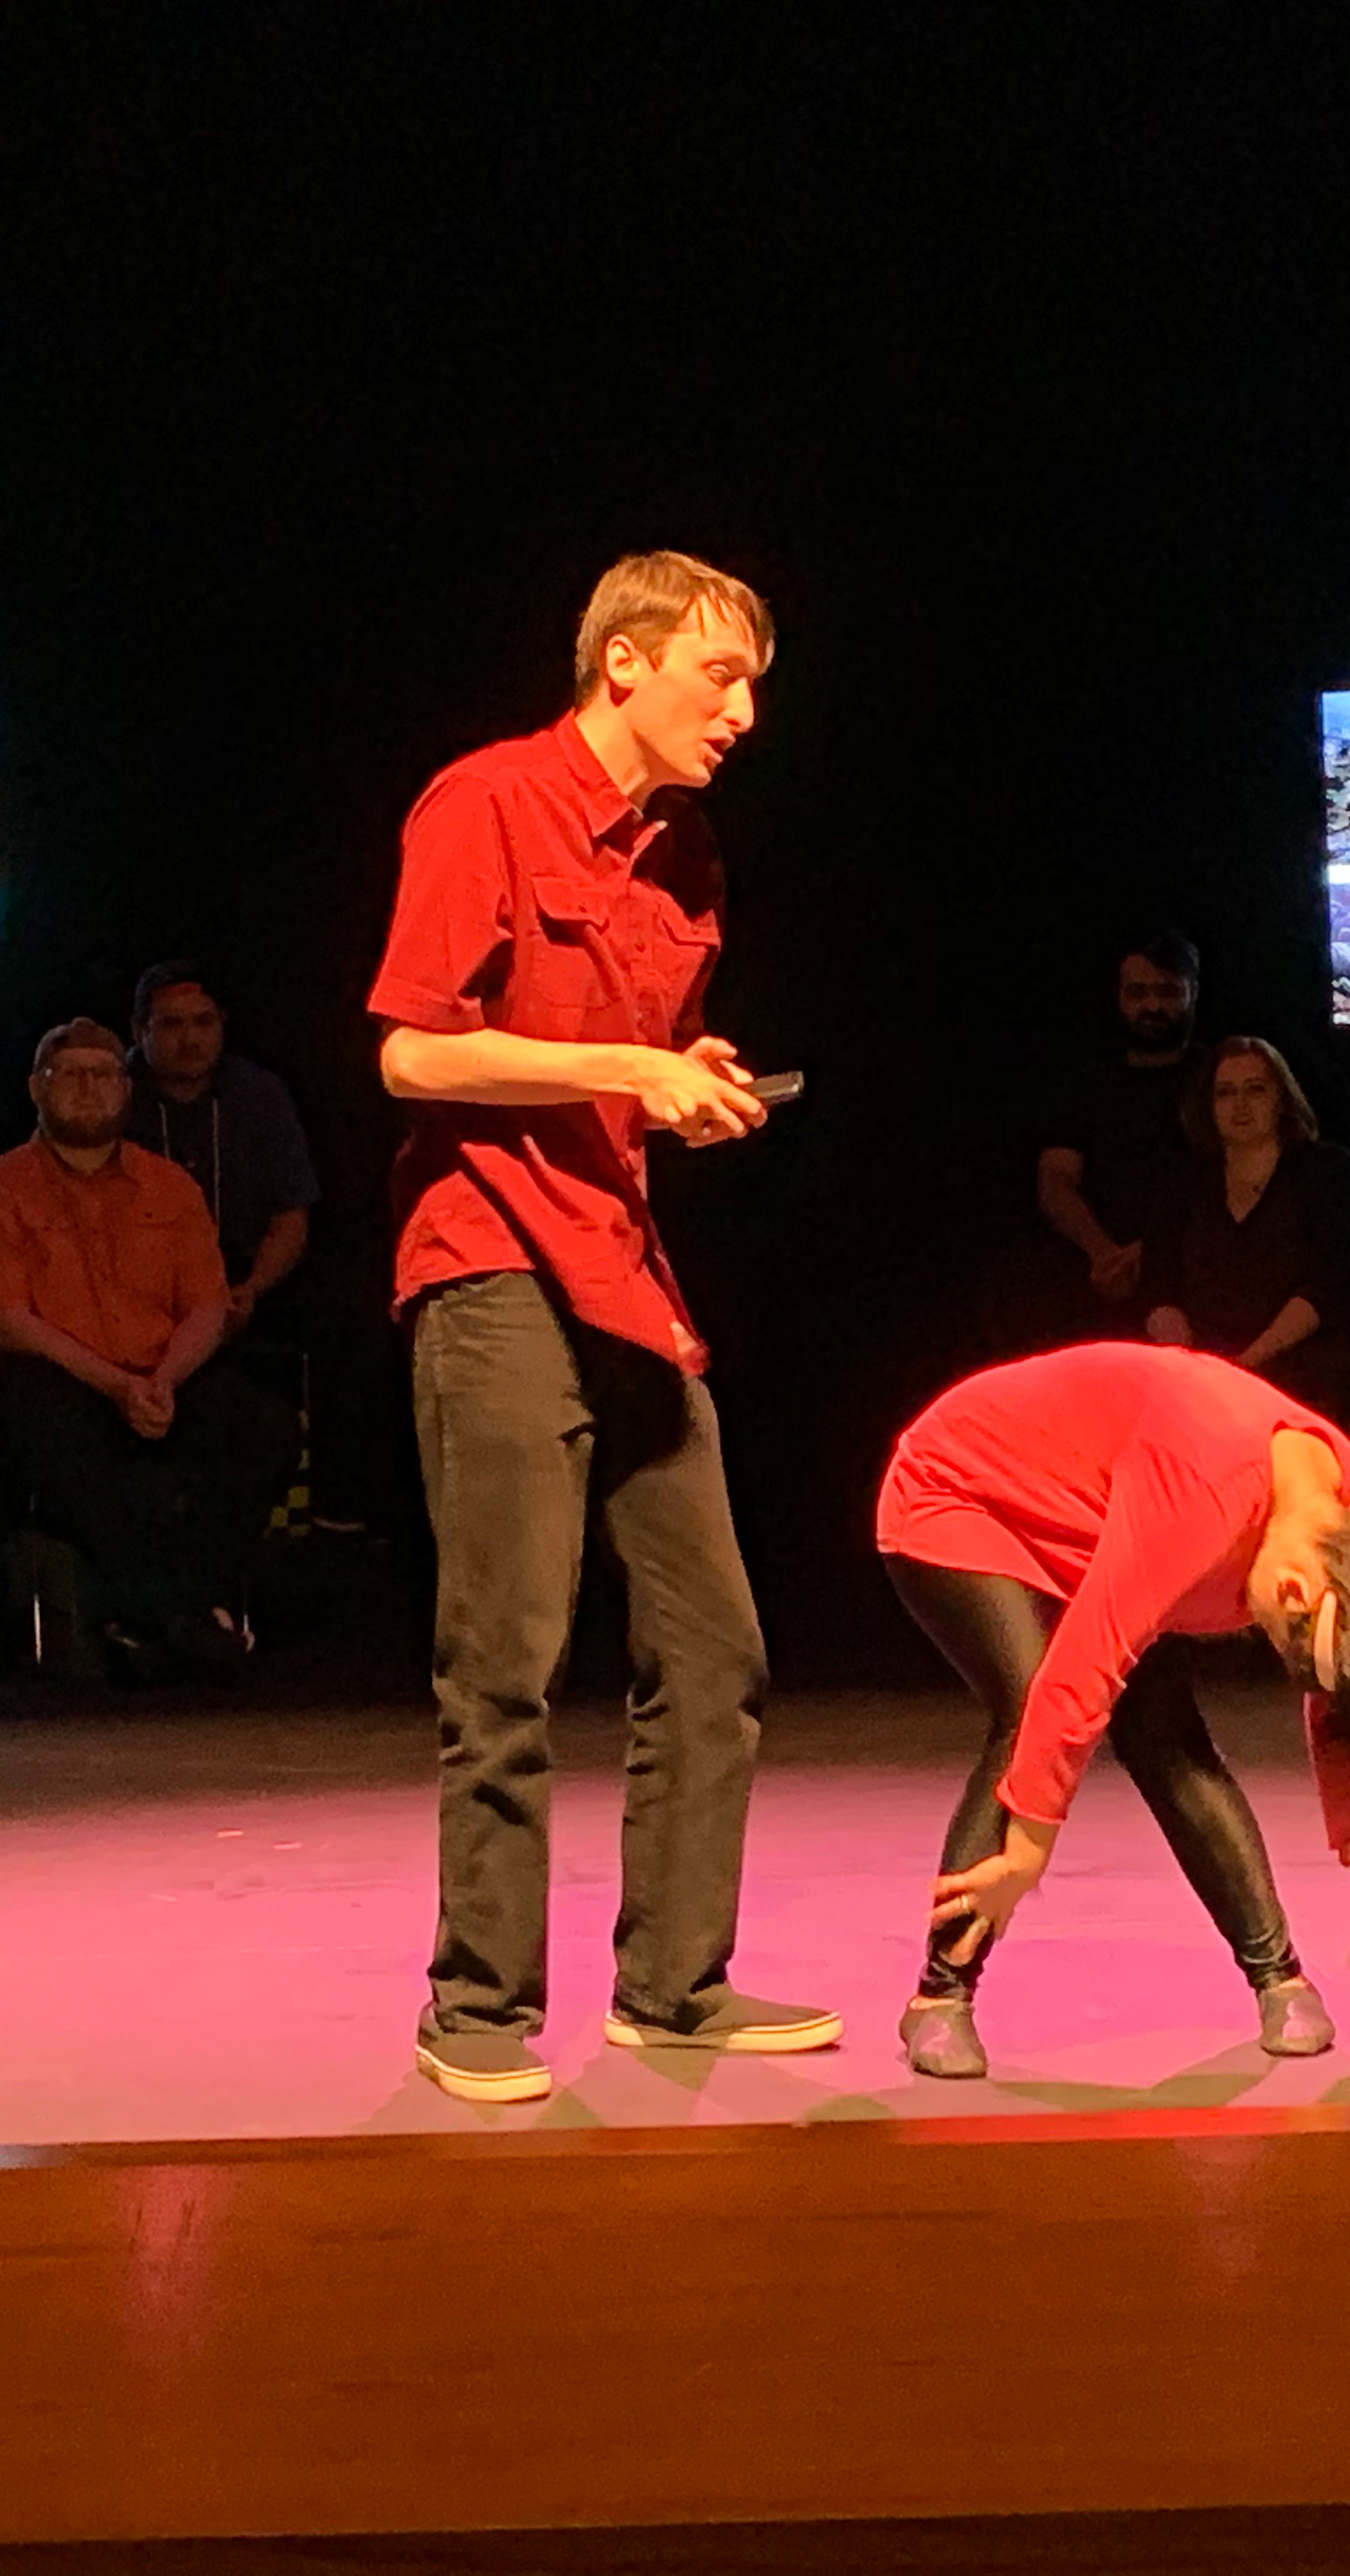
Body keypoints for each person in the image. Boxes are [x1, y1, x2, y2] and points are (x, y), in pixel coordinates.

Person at [369, 548, 835, 2106]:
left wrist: (684, 1080)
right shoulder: (486, 802)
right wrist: (633, 1072)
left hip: (621, 1263)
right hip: (490, 1258)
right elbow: (415, 1057)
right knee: (506, 1654)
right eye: (722, 676)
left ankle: (674, 1987)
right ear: (624, 661)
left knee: (715, 1644)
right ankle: (477, 2006)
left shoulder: (688, 854)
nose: (744, 713)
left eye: (755, 685)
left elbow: (634, 1060)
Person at [878, 1343, 1350, 2080]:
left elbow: (1342, 1726)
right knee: (1031, 1707)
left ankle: (1280, 1979)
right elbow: (1080, 1675)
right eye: (1286, 1645)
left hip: (1095, 1515)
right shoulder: (1200, 1497)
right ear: (1293, 1591)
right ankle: (939, 1998)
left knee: (1168, 1740)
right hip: (964, 1488)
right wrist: (1025, 1857)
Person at [0, 1017, 298, 1676]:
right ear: (36, 1088)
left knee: (265, 1428)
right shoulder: (0, 1188)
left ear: (127, 1088)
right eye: (69, 1074)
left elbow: (208, 1305)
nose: (88, 1088)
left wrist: (161, 1382)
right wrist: (116, 1385)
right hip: (60, 1378)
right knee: (40, 1415)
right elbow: (9, 1320)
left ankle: (160, 1609)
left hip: (162, 1373)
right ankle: (180, 1614)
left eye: (103, 1074)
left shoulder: (170, 1185)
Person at [1142, 1035, 1350, 1428]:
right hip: (1202, 1369)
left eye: (1255, 1089)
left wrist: (1244, 1365)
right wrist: (1190, 1361)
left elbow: (1331, 1284)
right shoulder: (1185, 1179)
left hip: (1302, 1364)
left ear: (1281, 1099)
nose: (1240, 1105)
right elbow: (1158, 1283)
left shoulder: (1325, 1171)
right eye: (1225, 1093)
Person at [123, 959, 320, 1342]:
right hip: (132, 1304)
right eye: (172, 1024)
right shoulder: (113, 1095)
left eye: (203, 1022)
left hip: (244, 1296)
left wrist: (252, 1288)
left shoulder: (259, 1094)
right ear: (139, 1030)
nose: (190, 1039)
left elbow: (291, 1214)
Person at [1026, 936, 1205, 1332]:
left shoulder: (1220, 1079)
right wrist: (1103, 1252)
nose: (1153, 1006)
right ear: (1119, 996)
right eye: (1138, 992)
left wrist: (1154, 1252)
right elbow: (1055, 1179)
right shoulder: (1086, 1082)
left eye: (1168, 992)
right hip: (1096, 1274)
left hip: (1200, 1272)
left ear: (1193, 993)